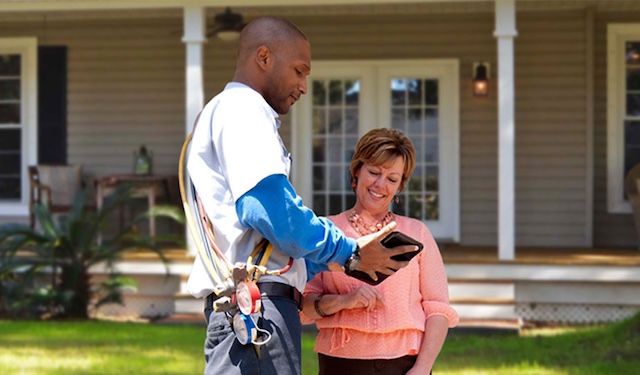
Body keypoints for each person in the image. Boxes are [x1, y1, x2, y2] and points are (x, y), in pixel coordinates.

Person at [185, 17, 416, 375]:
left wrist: (347, 262)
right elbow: (275, 215)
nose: (304, 85)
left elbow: (270, 239)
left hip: (246, 313)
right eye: (299, 70)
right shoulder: (244, 110)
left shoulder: (219, 113)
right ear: (264, 57)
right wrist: (349, 250)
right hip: (259, 315)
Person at [301, 128, 459, 375]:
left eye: (392, 179)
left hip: (406, 365)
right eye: (374, 172)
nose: (380, 185)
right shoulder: (327, 233)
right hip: (340, 364)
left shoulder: (417, 233)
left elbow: (437, 309)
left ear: (400, 186)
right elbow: (304, 305)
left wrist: (423, 368)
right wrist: (345, 301)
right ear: (357, 171)